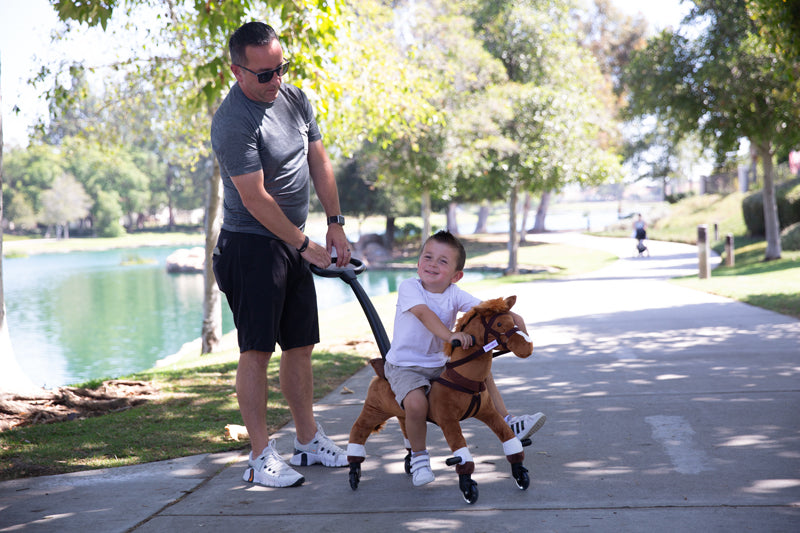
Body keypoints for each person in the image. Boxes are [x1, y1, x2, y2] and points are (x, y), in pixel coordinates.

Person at [211, 21, 351, 489]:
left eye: (280, 69)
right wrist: (304, 245)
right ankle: (258, 455)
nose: (276, 81)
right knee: (256, 350)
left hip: (293, 241)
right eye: (264, 74)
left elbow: (319, 161)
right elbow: (254, 199)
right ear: (237, 71)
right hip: (251, 246)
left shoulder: (294, 99)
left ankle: (307, 440)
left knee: (300, 345)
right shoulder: (232, 122)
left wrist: (334, 223)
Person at [384, 231, 545, 487]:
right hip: (406, 366)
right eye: (428, 257)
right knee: (415, 404)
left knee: (481, 373)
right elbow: (425, 315)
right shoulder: (410, 287)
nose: (433, 264)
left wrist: (513, 322)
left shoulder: (455, 293)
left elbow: (487, 311)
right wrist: (451, 335)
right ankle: (419, 457)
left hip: (439, 363)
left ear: (456, 275)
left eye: (443, 261)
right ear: (418, 263)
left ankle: (508, 421)